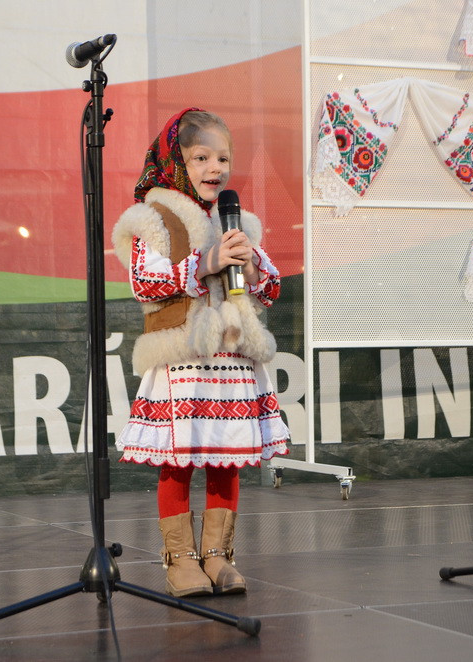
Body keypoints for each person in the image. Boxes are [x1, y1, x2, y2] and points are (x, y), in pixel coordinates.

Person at [111, 108, 289, 597]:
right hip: (185, 357)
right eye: (201, 158)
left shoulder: (239, 223)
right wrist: (206, 261)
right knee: (180, 459)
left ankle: (218, 555)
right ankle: (181, 560)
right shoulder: (155, 219)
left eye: (223, 158)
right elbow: (145, 283)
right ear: (177, 162)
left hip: (231, 356)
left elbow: (272, 289)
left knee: (226, 456)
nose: (216, 168)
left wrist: (250, 268)